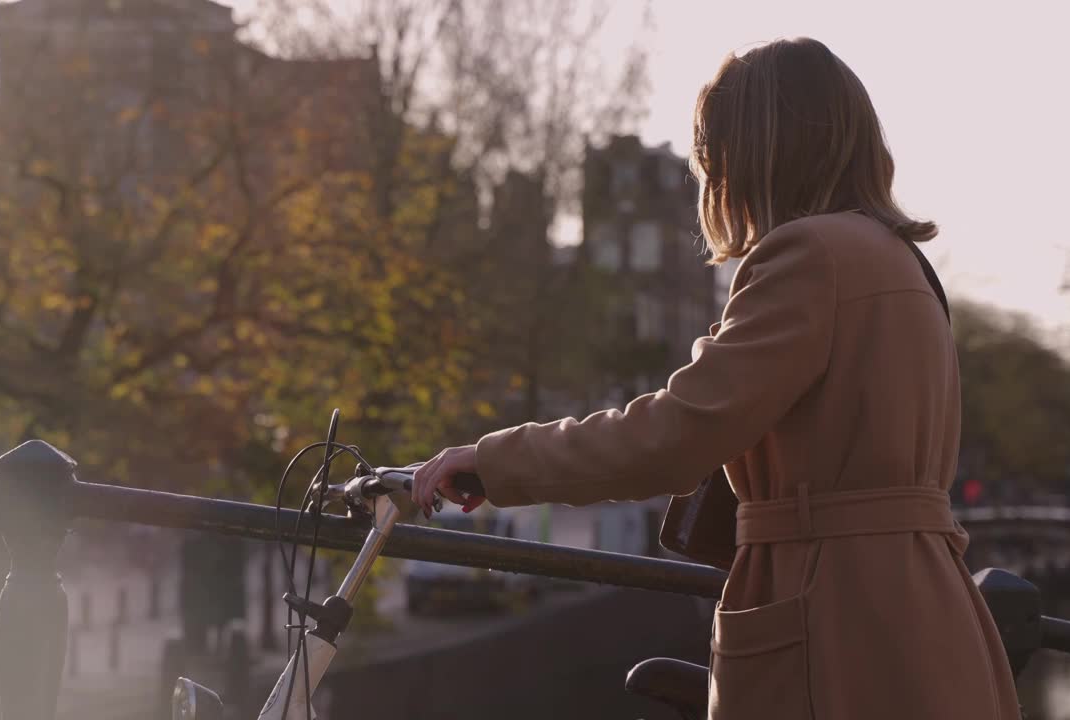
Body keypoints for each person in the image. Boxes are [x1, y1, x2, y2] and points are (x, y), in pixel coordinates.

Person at [413, 37, 1021, 720]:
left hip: (831, 617)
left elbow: (675, 433)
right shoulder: (902, 264)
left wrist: (495, 460)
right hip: (923, 611)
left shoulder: (808, 254)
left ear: (754, 152)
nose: (714, 177)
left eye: (714, 154)